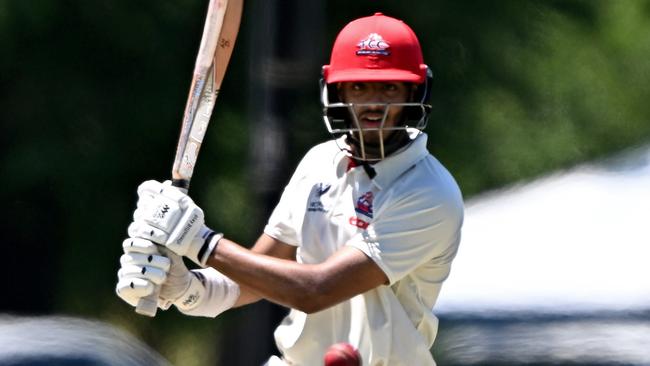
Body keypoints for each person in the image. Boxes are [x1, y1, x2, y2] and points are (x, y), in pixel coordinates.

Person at [116, 12, 464, 366]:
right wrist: (190, 288)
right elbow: (259, 274)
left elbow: (315, 290)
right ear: (337, 90)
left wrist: (200, 242)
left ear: (415, 90)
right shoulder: (319, 162)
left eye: (389, 87)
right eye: (359, 86)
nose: (373, 102)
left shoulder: (429, 192)